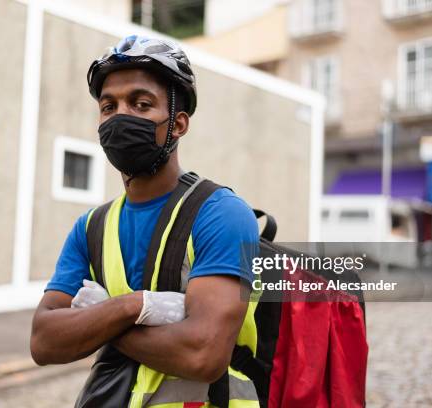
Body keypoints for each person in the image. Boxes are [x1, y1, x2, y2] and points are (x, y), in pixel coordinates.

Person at [30, 35, 260, 407]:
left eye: (141, 104)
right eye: (109, 107)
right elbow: (44, 341)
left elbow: (203, 354)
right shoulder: (91, 227)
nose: (120, 116)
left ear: (179, 124)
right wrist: (133, 306)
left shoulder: (221, 213)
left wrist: (96, 322)